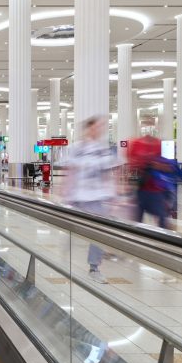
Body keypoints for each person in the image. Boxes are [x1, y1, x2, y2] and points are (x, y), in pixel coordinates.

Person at [63, 115, 119, 277]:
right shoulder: (77, 148)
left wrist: (114, 195)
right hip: (77, 197)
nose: (97, 131)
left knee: (99, 232)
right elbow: (71, 172)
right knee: (70, 229)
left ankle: (94, 266)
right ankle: (63, 256)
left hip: (96, 198)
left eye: (100, 128)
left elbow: (108, 174)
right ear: (87, 129)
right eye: (94, 127)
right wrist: (65, 192)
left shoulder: (103, 150)